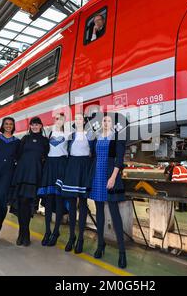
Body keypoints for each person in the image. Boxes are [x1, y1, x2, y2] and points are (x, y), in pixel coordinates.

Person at [89, 112, 127, 268]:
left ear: (113, 123)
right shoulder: (97, 136)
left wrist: (113, 177)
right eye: (104, 120)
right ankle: (100, 244)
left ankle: (122, 252)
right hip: (98, 175)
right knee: (99, 212)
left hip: (110, 176)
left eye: (108, 120)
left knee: (114, 213)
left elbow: (119, 159)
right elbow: (93, 156)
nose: (106, 122)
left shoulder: (117, 137)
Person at [57, 113, 95, 253]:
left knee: (83, 204)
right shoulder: (71, 136)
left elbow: (93, 152)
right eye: (77, 119)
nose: (79, 120)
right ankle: (71, 236)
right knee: (72, 203)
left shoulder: (90, 135)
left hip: (84, 167)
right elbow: (65, 151)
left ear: (84, 121)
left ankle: (81, 239)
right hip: (72, 166)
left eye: (81, 119)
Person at [11, 117, 49, 246]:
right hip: (22, 175)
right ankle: (22, 233)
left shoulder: (44, 141)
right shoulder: (25, 139)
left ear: (41, 126)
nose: (34, 127)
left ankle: (25, 233)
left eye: (37, 124)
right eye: (32, 125)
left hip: (35, 176)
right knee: (21, 203)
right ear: (30, 126)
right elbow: (17, 155)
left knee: (28, 204)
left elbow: (46, 157)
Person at [37, 113, 69, 247]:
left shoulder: (68, 134)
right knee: (48, 200)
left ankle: (56, 231)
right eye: (57, 119)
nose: (58, 121)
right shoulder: (49, 134)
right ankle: (47, 231)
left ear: (64, 121)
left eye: (61, 119)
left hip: (61, 165)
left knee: (58, 200)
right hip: (50, 165)